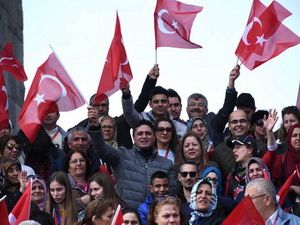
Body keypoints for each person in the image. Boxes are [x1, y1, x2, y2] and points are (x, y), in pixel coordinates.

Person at [93, 119, 176, 209]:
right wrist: (95, 128)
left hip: (155, 216)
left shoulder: (167, 164)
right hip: (128, 216)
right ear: (133, 137)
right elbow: (102, 150)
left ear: (154, 137)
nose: (144, 136)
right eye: (140, 134)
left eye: (148, 133)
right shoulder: (122, 156)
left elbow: (173, 193)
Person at [76, 64, 159, 148]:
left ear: (109, 106)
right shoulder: (82, 127)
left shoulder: (120, 123)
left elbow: (140, 104)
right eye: (97, 105)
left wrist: (150, 80)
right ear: (90, 107)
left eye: (104, 105)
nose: (100, 108)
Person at [185, 66, 240, 146]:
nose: (196, 107)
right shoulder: (181, 126)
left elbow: (226, 110)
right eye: (192, 105)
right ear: (187, 109)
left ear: (206, 109)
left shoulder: (213, 122)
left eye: (200, 105)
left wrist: (231, 82)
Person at [122, 85, 187, 139]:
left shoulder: (181, 128)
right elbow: (129, 113)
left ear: (168, 103)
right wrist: (126, 95)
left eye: (163, 101)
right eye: (156, 102)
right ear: (150, 104)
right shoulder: (142, 119)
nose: (160, 104)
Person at [212, 109, 251, 182]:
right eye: (234, 122)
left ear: (248, 125)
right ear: (229, 126)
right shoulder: (219, 150)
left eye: (242, 121)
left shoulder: (260, 146)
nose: (239, 124)